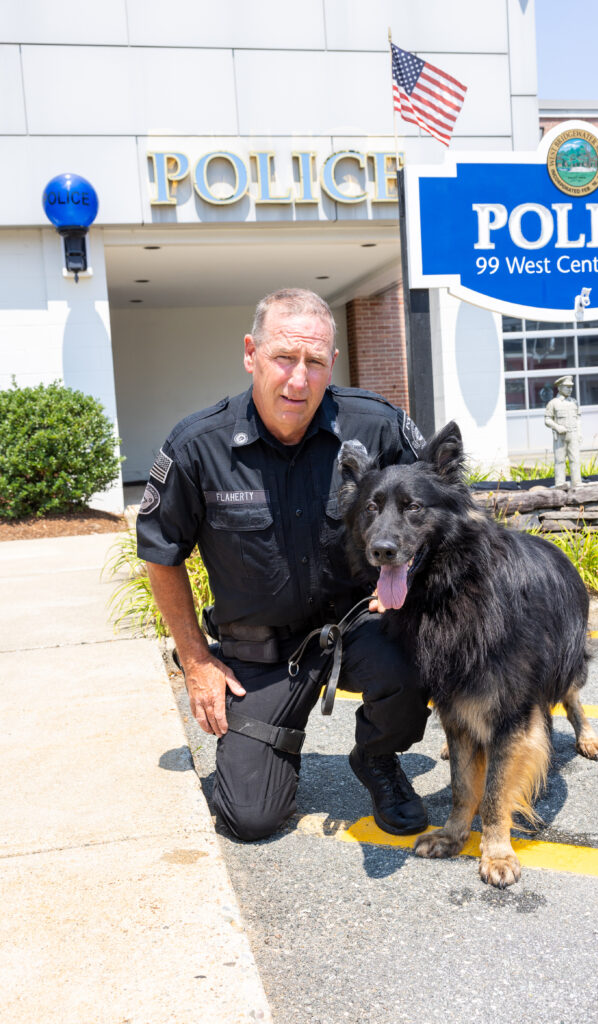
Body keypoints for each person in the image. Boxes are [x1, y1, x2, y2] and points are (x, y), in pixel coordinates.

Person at [137, 288, 431, 841]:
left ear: (331, 364)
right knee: (251, 818)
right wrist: (197, 662)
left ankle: (377, 755)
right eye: (284, 358)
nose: (299, 380)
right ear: (251, 353)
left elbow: (438, 508)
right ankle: (274, 748)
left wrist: (405, 583)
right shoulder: (199, 446)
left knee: (413, 661)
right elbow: (161, 554)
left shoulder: (377, 427)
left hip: (357, 627)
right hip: (260, 656)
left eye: (314, 362)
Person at [544, 374, 582, 488]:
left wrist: (579, 433)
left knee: (575, 459)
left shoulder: (574, 402)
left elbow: (578, 418)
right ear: (560, 387)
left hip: (573, 434)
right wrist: (557, 427)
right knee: (560, 460)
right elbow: (547, 420)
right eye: (567, 387)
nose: (570, 389)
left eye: (571, 387)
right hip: (560, 436)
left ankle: (577, 482)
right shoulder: (553, 403)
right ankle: (560, 483)